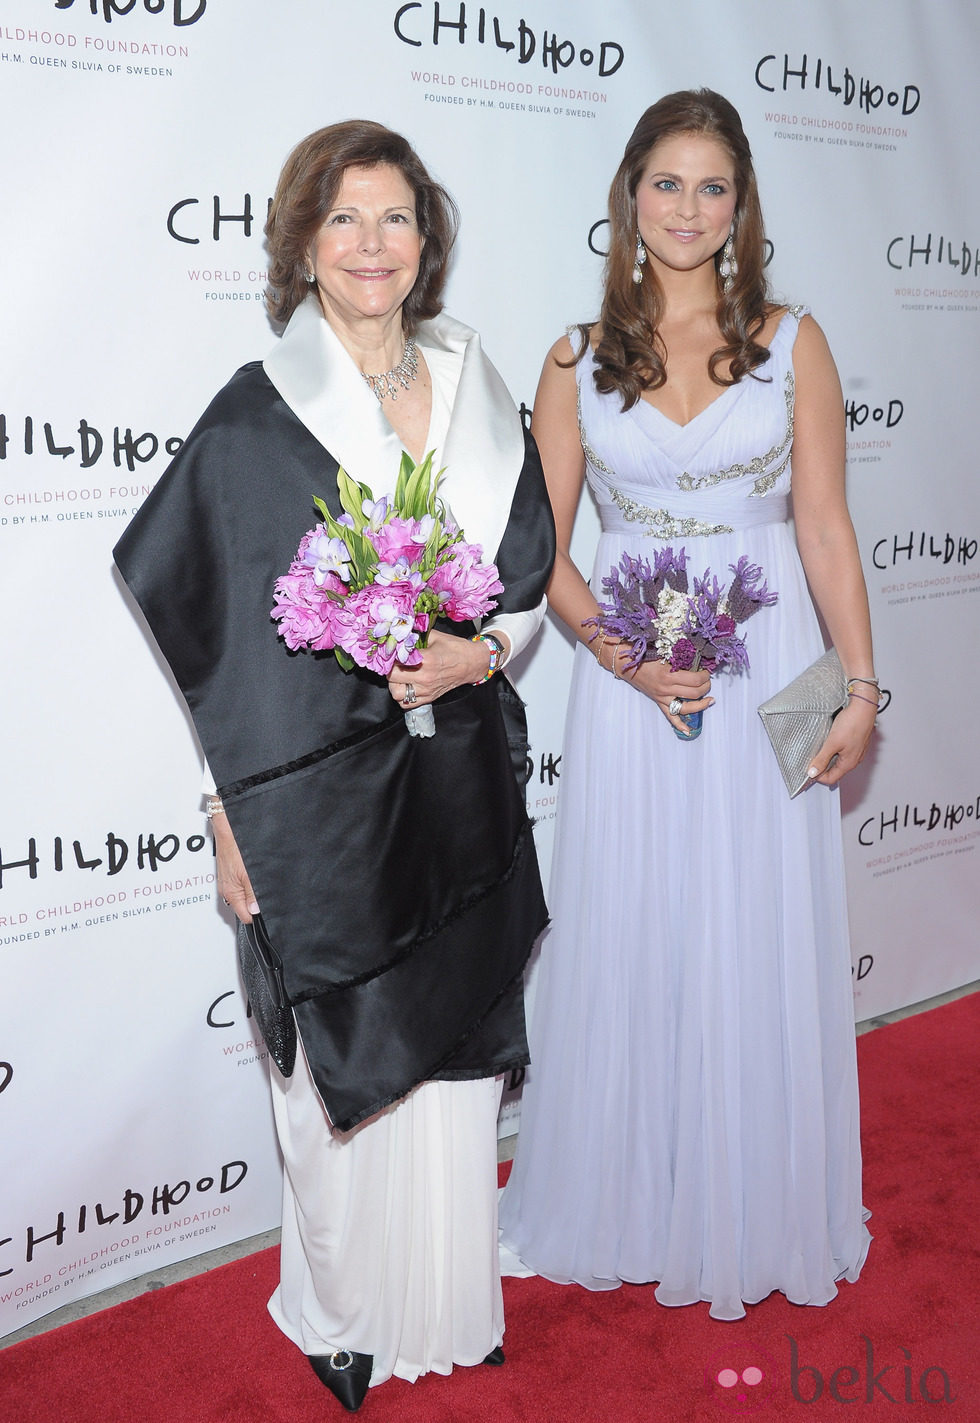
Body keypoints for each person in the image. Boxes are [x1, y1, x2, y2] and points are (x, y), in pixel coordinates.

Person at [114, 120, 554, 1411]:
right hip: (313, 793)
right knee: (337, 1045)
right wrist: (225, 811)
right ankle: (341, 1307)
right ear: (304, 244)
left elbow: (524, 572)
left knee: (457, 1023)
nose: (374, 244)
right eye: (347, 219)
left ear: (430, 243)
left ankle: (447, 1299)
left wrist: (480, 658)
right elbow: (203, 634)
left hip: (457, 764)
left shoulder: (478, 387)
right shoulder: (257, 419)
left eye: (398, 218)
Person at [499, 89, 877, 1321]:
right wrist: (622, 656)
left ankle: (752, 1195)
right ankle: (632, 1192)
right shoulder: (570, 355)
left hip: (769, 663)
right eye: (665, 182)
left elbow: (820, 526)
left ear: (740, 206)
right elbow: (545, 551)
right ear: (627, 192)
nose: (685, 208)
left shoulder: (789, 338)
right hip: (630, 675)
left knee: (755, 915)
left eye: (711, 187)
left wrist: (857, 684)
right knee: (638, 917)